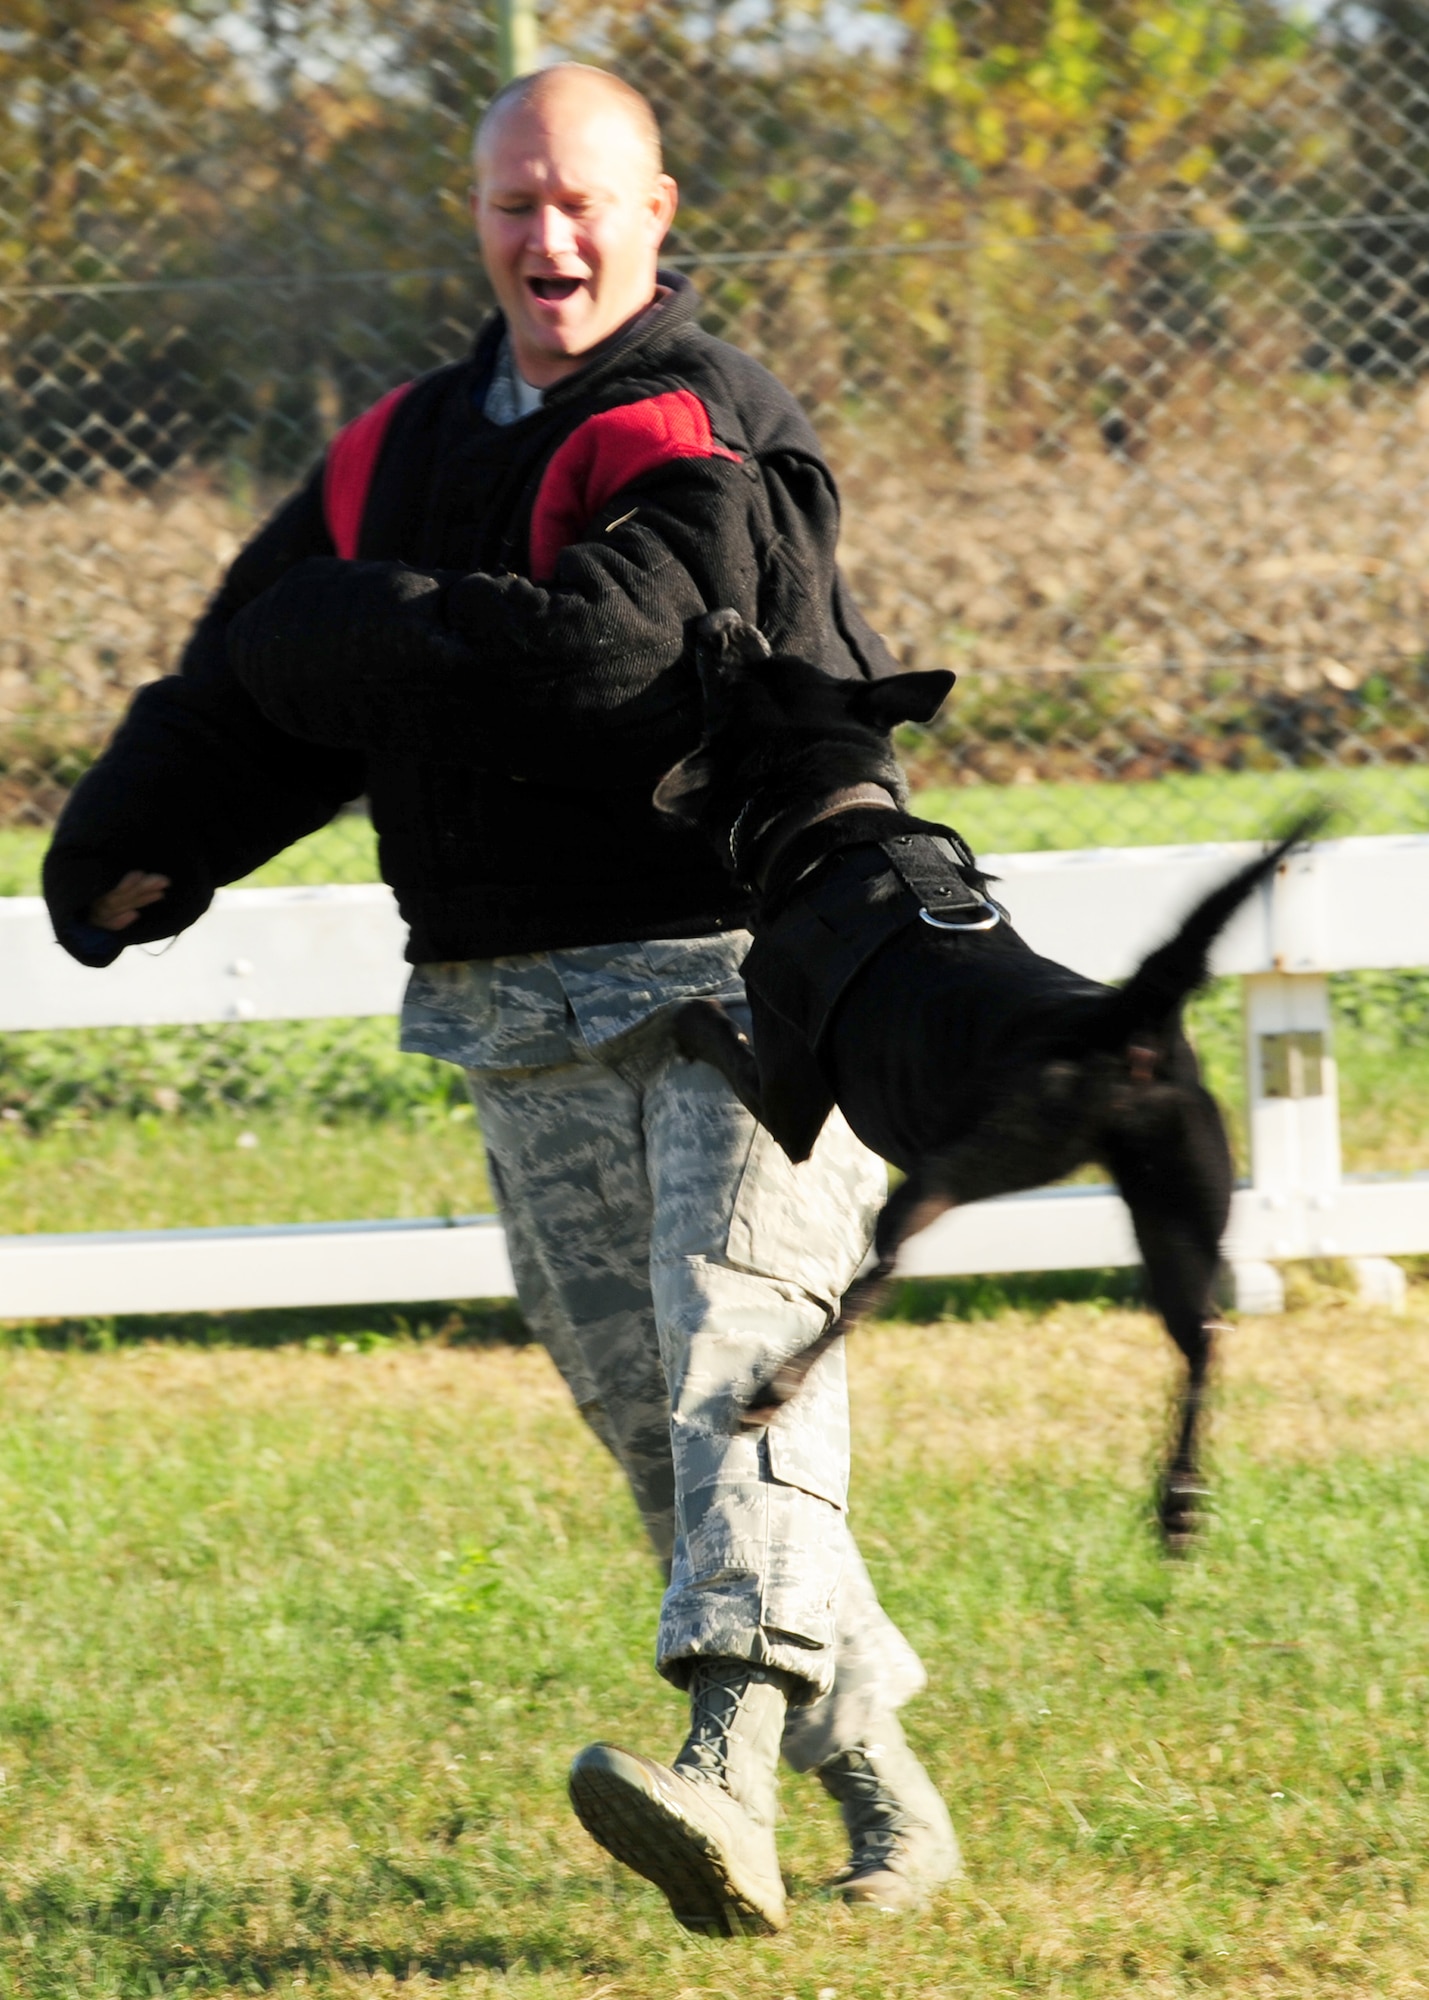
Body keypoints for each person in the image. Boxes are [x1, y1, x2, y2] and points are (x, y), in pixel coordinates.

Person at [43, 64, 960, 1935]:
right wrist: (133, 848)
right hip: (508, 995)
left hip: (743, 963)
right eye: (511, 205)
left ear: (656, 208)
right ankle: (873, 1779)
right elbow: (248, 678)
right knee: (650, 1417)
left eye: (583, 202)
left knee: (743, 1354)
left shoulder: (699, 419)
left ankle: (720, 1778)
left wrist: (346, 640)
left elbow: (606, 666)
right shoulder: (398, 448)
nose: (547, 238)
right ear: (475, 220)